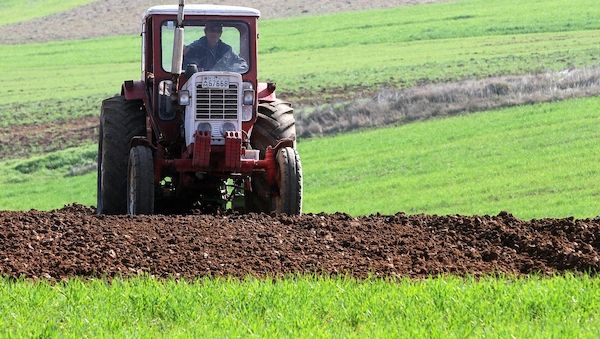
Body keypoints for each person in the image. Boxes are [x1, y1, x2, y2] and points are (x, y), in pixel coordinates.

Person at [183, 22, 248, 72]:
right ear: (206, 32)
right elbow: (184, 67)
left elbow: (243, 65)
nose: (214, 34)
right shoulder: (194, 48)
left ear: (221, 33)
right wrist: (196, 69)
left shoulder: (226, 50)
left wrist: (228, 70)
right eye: (212, 30)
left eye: (218, 31)